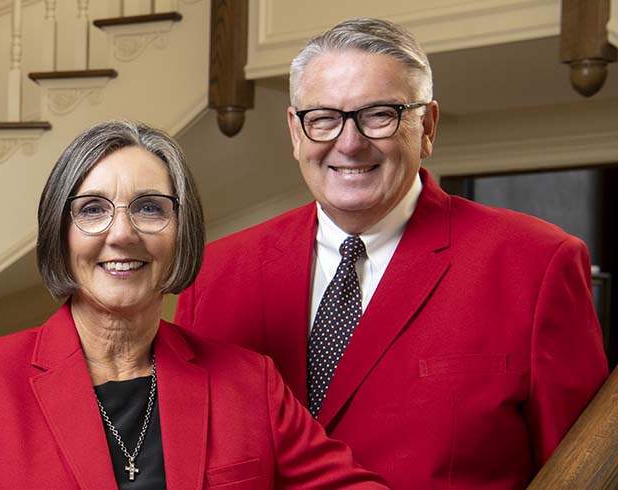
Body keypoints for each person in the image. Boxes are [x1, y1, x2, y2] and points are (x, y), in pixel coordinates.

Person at [175, 18, 609, 489]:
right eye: (322, 118)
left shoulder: (537, 264)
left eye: (379, 114)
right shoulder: (211, 274)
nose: (350, 142)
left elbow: (581, 476)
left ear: (427, 127)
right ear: (296, 133)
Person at [0, 121, 389, 489]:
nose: (122, 234)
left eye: (150, 207)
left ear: (182, 233)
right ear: (60, 233)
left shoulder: (250, 383)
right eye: (92, 210)